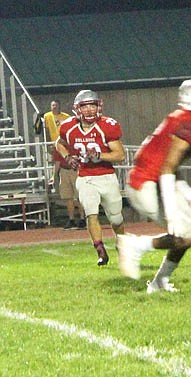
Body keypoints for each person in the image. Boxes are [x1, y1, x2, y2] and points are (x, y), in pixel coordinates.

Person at [116, 78, 191, 293]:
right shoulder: (190, 124)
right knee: (184, 235)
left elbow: (170, 166)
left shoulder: (187, 119)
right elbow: (167, 168)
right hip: (147, 184)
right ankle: (136, 245)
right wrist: (172, 212)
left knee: (189, 235)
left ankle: (159, 282)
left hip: (150, 181)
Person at [55, 90, 125, 266]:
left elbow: (120, 155)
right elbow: (58, 143)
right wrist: (68, 157)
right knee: (91, 213)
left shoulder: (107, 125)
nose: (89, 110)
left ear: (98, 106)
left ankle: (122, 246)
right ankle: (101, 251)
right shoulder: (68, 126)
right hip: (85, 176)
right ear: (77, 109)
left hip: (106, 176)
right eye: (85, 106)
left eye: (92, 105)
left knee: (116, 219)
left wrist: (100, 154)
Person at [52, 149, 86, 230]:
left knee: (79, 196)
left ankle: (82, 218)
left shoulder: (75, 144)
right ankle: (71, 219)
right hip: (64, 170)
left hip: (76, 170)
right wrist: (54, 176)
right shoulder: (59, 147)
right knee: (68, 197)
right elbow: (57, 162)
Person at [43, 101, 71, 191]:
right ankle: (53, 180)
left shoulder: (66, 117)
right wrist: (48, 143)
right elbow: (46, 131)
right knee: (56, 161)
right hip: (54, 142)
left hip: (63, 142)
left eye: (56, 105)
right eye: (53, 105)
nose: (54, 107)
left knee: (59, 161)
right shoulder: (47, 116)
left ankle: (53, 179)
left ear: (59, 106)